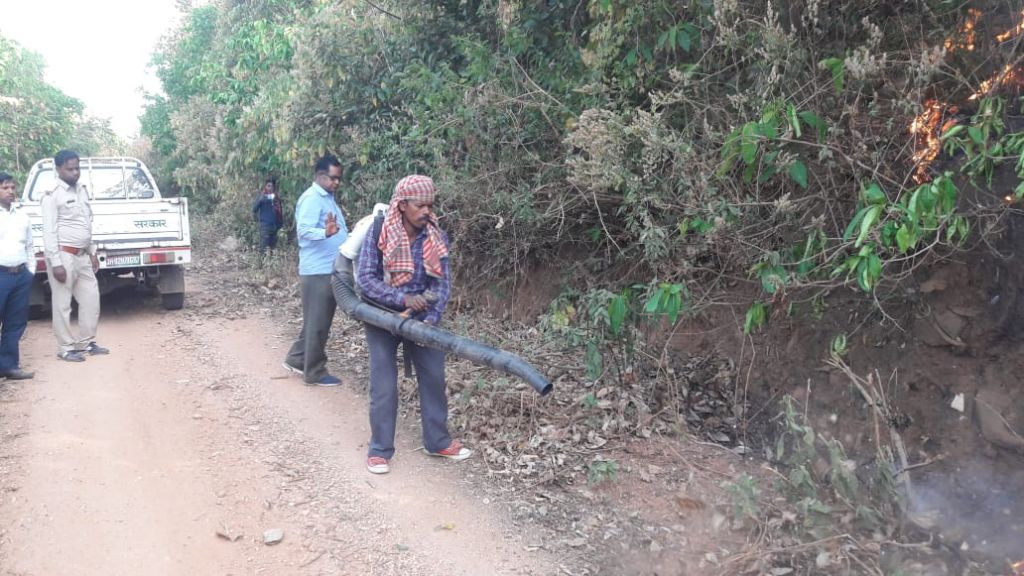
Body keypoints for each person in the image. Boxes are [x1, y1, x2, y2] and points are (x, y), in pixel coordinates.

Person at [356, 175, 471, 474]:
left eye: (430, 206)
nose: (426, 212)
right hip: (382, 315)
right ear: (403, 205)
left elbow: (442, 285)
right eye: (420, 206)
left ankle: (437, 441)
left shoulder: (436, 236)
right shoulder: (379, 231)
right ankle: (380, 449)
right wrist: (403, 299)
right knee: (384, 383)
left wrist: (430, 320)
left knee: (433, 376)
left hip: (423, 318)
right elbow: (365, 280)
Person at [282, 155, 348, 386]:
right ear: (320, 176)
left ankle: (297, 359)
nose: (336, 183)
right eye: (332, 178)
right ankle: (314, 372)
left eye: (339, 178)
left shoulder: (327, 198)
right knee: (318, 322)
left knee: (316, 320)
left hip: (327, 267)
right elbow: (304, 231)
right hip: (318, 270)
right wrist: (325, 234)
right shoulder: (312, 198)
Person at [41, 150, 109, 362]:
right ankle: (66, 347)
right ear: (58, 169)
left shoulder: (81, 190)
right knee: (62, 303)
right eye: (70, 169)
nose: (75, 173)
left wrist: (92, 251)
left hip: (82, 255)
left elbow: (85, 223)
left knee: (91, 298)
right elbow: (49, 231)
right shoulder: (52, 194)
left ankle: (85, 342)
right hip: (63, 255)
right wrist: (56, 263)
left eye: (77, 168)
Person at [0, 173, 36, 379]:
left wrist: (30, 271)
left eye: (13, 187)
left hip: (20, 275)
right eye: (5, 188)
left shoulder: (22, 216)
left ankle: (9, 366)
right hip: (1, 275)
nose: (11, 191)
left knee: (15, 323)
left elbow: (30, 245)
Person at [252, 178, 283, 250]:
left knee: (272, 249)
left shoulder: (276, 199)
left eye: (272, 186)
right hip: (265, 227)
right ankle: (262, 261)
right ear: (265, 187)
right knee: (263, 248)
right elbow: (254, 209)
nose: (270, 188)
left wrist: (280, 224)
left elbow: (280, 212)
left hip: (274, 227)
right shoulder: (261, 197)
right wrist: (259, 220)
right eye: (268, 186)